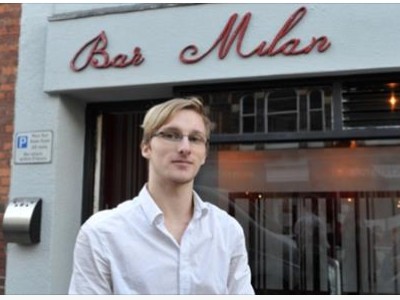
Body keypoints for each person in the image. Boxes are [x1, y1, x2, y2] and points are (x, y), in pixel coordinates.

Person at [68, 97, 255, 294]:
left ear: (205, 154)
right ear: (146, 147)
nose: (185, 148)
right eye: (171, 135)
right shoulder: (101, 233)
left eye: (195, 138)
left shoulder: (227, 231)